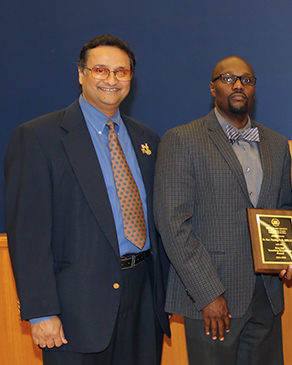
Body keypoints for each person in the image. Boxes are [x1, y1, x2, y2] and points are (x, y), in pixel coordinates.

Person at [4, 34, 170, 364]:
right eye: (100, 70)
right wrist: (41, 312)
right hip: (75, 311)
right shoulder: (38, 137)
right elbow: (28, 233)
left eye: (121, 72)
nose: (111, 80)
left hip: (143, 299)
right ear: (81, 74)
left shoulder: (147, 139)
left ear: (130, 79)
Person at [154, 56, 292, 365]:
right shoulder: (182, 139)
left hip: (266, 296)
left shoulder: (276, 144)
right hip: (211, 299)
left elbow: (283, 210)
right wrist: (208, 294)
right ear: (212, 88)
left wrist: (289, 257)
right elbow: (172, 224)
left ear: (254, 89)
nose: (238, 85)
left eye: (246, 80)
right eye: (228, 78)